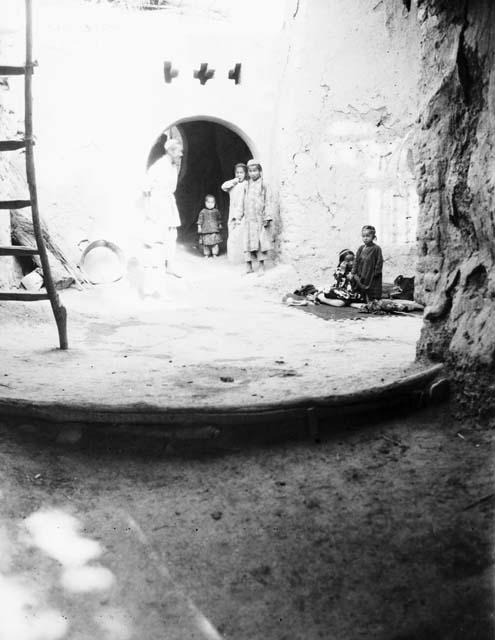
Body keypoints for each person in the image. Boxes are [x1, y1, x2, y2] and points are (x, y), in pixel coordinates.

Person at [142, 138, 183, 295]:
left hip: (168, 203)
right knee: (157, 243)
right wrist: (150, 208)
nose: (181, 154)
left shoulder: (173, 165)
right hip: (158, 205)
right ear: (171, 151)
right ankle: (154, 283)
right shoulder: (159, 166)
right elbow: (145, 186)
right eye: (179, 151)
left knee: (172, 235)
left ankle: (169, 266)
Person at [237, 159, 274, 275]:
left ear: (260, 171)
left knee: (260, 242)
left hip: (259, 219)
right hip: (249, 219)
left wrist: (267, 216)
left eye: (255, 171)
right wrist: (239, 215)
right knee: (247, 242)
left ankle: (261, 265)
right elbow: (241, 200)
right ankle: (248, 265)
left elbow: (268, 201)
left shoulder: (264, 184)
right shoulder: (246, 185)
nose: (253, 173)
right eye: (250, 171)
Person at [348, 225, 383, 301]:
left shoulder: (376, 248)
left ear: (373, 237)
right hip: (362, 272)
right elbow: (356, 261)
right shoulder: (361, 248)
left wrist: (376, 272)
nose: (365, 238)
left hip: (371, 274)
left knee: (372, 290)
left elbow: (379, 261)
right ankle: (362, 298)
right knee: (361, 287)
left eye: (368, 236)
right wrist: (353, 272)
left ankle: (372, 300)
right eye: (363, 236)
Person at [221, 163, 248, 264]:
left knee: (240, 234)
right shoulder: (233, 184)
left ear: (245, 174)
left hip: (241, 213)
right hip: (232, 212)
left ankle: (241, 257)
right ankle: (232, 258)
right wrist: (234, 181)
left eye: (241, 173)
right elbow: (223, 187)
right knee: (231, 232)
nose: (239, 175)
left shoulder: (246, 184)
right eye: (237, 172)